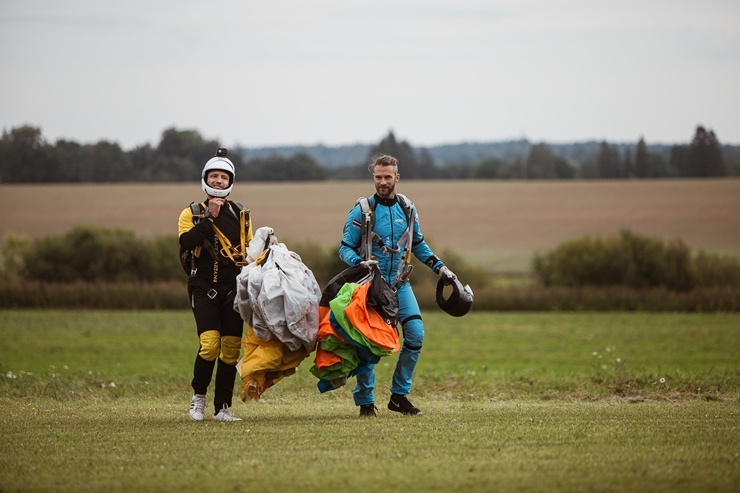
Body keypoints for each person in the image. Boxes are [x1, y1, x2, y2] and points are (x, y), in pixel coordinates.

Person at [338, 153, 457, 417]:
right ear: (374, 177)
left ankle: (399, 396)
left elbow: (418, 244)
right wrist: (360, 262)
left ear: (397, 178)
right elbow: (344, 248)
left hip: (400, 285)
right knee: (368, 345)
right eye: (378, 177)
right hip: (370, 286)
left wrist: (441, 268)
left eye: (387, 177)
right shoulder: (362, 210)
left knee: (415, 335)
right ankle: (366, 402)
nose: (382, 182)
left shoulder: (408, 208)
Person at [178, 148, 253, 422]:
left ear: (230, 181)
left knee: (231, 348)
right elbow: (186, 243)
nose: (219, 181)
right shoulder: (192, 213)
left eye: (223, 177)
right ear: (205, 180)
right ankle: (198, 399)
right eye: (214, 176)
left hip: (233, 290)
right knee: (209, 345)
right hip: (203, 286)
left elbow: (250, 251)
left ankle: (223, 408)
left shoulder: (241, 214)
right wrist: (210, 217)